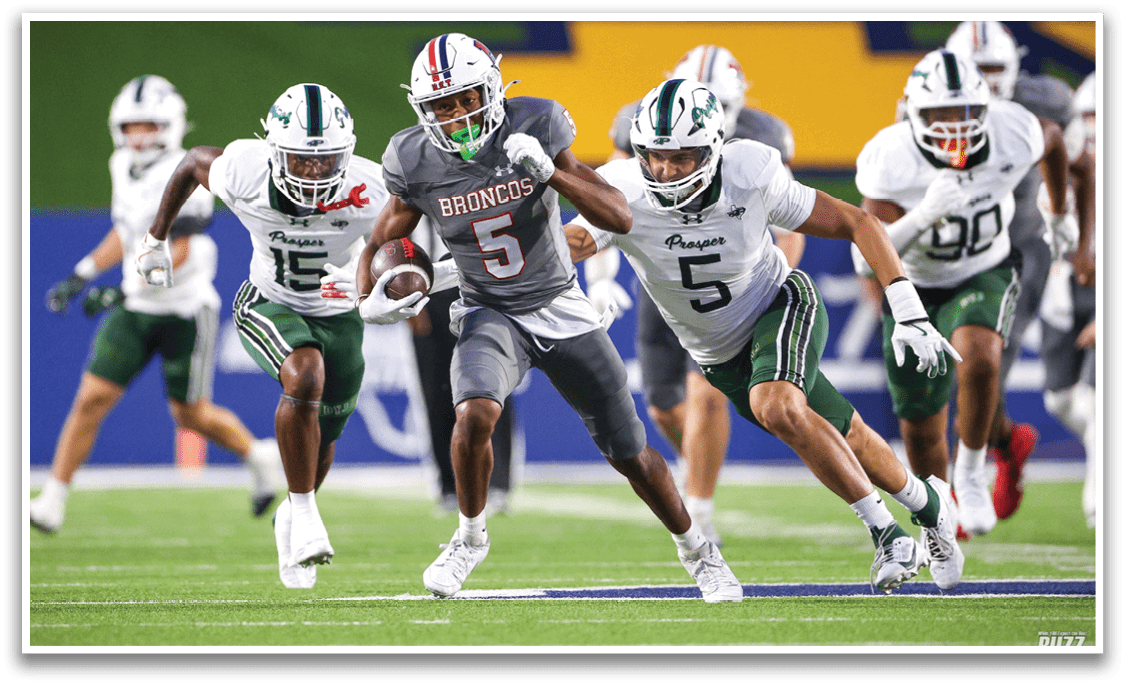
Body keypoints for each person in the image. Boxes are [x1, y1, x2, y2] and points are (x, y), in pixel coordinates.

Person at [354, 33, 742, 602]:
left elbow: (618, 216)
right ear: (423, 110)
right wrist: (369, 295)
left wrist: (551, 174)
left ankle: (697, 551)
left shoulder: (536, 125)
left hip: (561, 304)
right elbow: (386, 234)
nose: (456, 115)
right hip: (488, 307)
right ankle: (468, 537)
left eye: (465, 98)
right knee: (475, 411)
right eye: (442, 105)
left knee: (630, 451)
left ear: (491, 90)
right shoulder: (414, 156)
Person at [566, 78, 965, 593]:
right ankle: (932, 507)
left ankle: (887, 533)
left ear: (712, 148)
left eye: (682, 156)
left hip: (779, 303)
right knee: (848, 433)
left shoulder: (749, 172)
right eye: (654, 155)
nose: (665, 170)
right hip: (715, 349)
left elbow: (858, 222)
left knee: (776, 405)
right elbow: (572, 241)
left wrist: (907, 308)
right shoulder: (622, 185)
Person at [135, 83, 391, 589]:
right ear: (274, 151)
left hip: (340, 314)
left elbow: (412, 238)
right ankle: (306, 513)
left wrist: (385, 278)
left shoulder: (374, 187)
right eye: (301, 160)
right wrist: (155, 238)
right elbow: (191, 163)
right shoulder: (244, 171)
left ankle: (290, 521)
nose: (315, 171)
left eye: (327, 159)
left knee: (325, 439)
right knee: (305, 372)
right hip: (269, 300)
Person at [850, 49, 1092, 537]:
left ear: (986, 110)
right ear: (911, 114)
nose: (953, 127)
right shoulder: (890, 157)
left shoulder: (1013, 129)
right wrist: (922, 216)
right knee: (920, 425)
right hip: (913, 283)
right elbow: (864, 257)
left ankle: (972, 471)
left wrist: (1061, 213)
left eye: (964, 113)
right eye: (939, 115)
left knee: (981, 354)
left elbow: (1056, 145)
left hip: (985, 265)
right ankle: (937, 526)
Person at [31, 75, 283, 535]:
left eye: (150, 124)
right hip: (137, 308)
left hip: (185, 308)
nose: (141, 135)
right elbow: (126, 231)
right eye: (133, 126)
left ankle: (260, 456)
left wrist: (123, 291)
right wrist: (82, 273)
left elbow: (178, 249)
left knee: (190, 414)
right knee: (91, 398)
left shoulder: (192, 170)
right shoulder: (119, 165)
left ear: (171, 125)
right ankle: (53, 497)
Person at [585, 45, 805, 546]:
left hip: (733, 286)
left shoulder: (760, 143)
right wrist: (601, 278)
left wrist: (775, 277)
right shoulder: (640, 127)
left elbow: (792, 222)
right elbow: (609, 204)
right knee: (663, 405)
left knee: (707, 396)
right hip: (665, 281)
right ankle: (696, 467)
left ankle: (699, 508)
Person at [944, 20, 1095, 521]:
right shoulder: (929, 103)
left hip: (1023, 246)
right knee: (957, 372)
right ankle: (1007, 444)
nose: (985, 83)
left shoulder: (1047, 103)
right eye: (974, 70)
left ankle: (962, 489)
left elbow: (1081, 168)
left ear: (1013, 68)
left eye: (994, 69)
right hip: (957, 245)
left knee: (982, 363)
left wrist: (1077, 237)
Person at [407, 216, 521, 516]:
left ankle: (497, 484)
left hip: (479, 285)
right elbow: (396, 243)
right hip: (427, 293)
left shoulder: (476, 181)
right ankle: (448, 487)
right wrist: (410, 306)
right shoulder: (412, 182)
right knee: (437, 392)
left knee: (493, 385)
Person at [1038, 70, 1097, 527]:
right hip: (1063, 294)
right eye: (1087, 115)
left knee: (1094, 404)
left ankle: (1100, 502)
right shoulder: (1061, 162)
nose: (1094, 125)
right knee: (1060, 401)